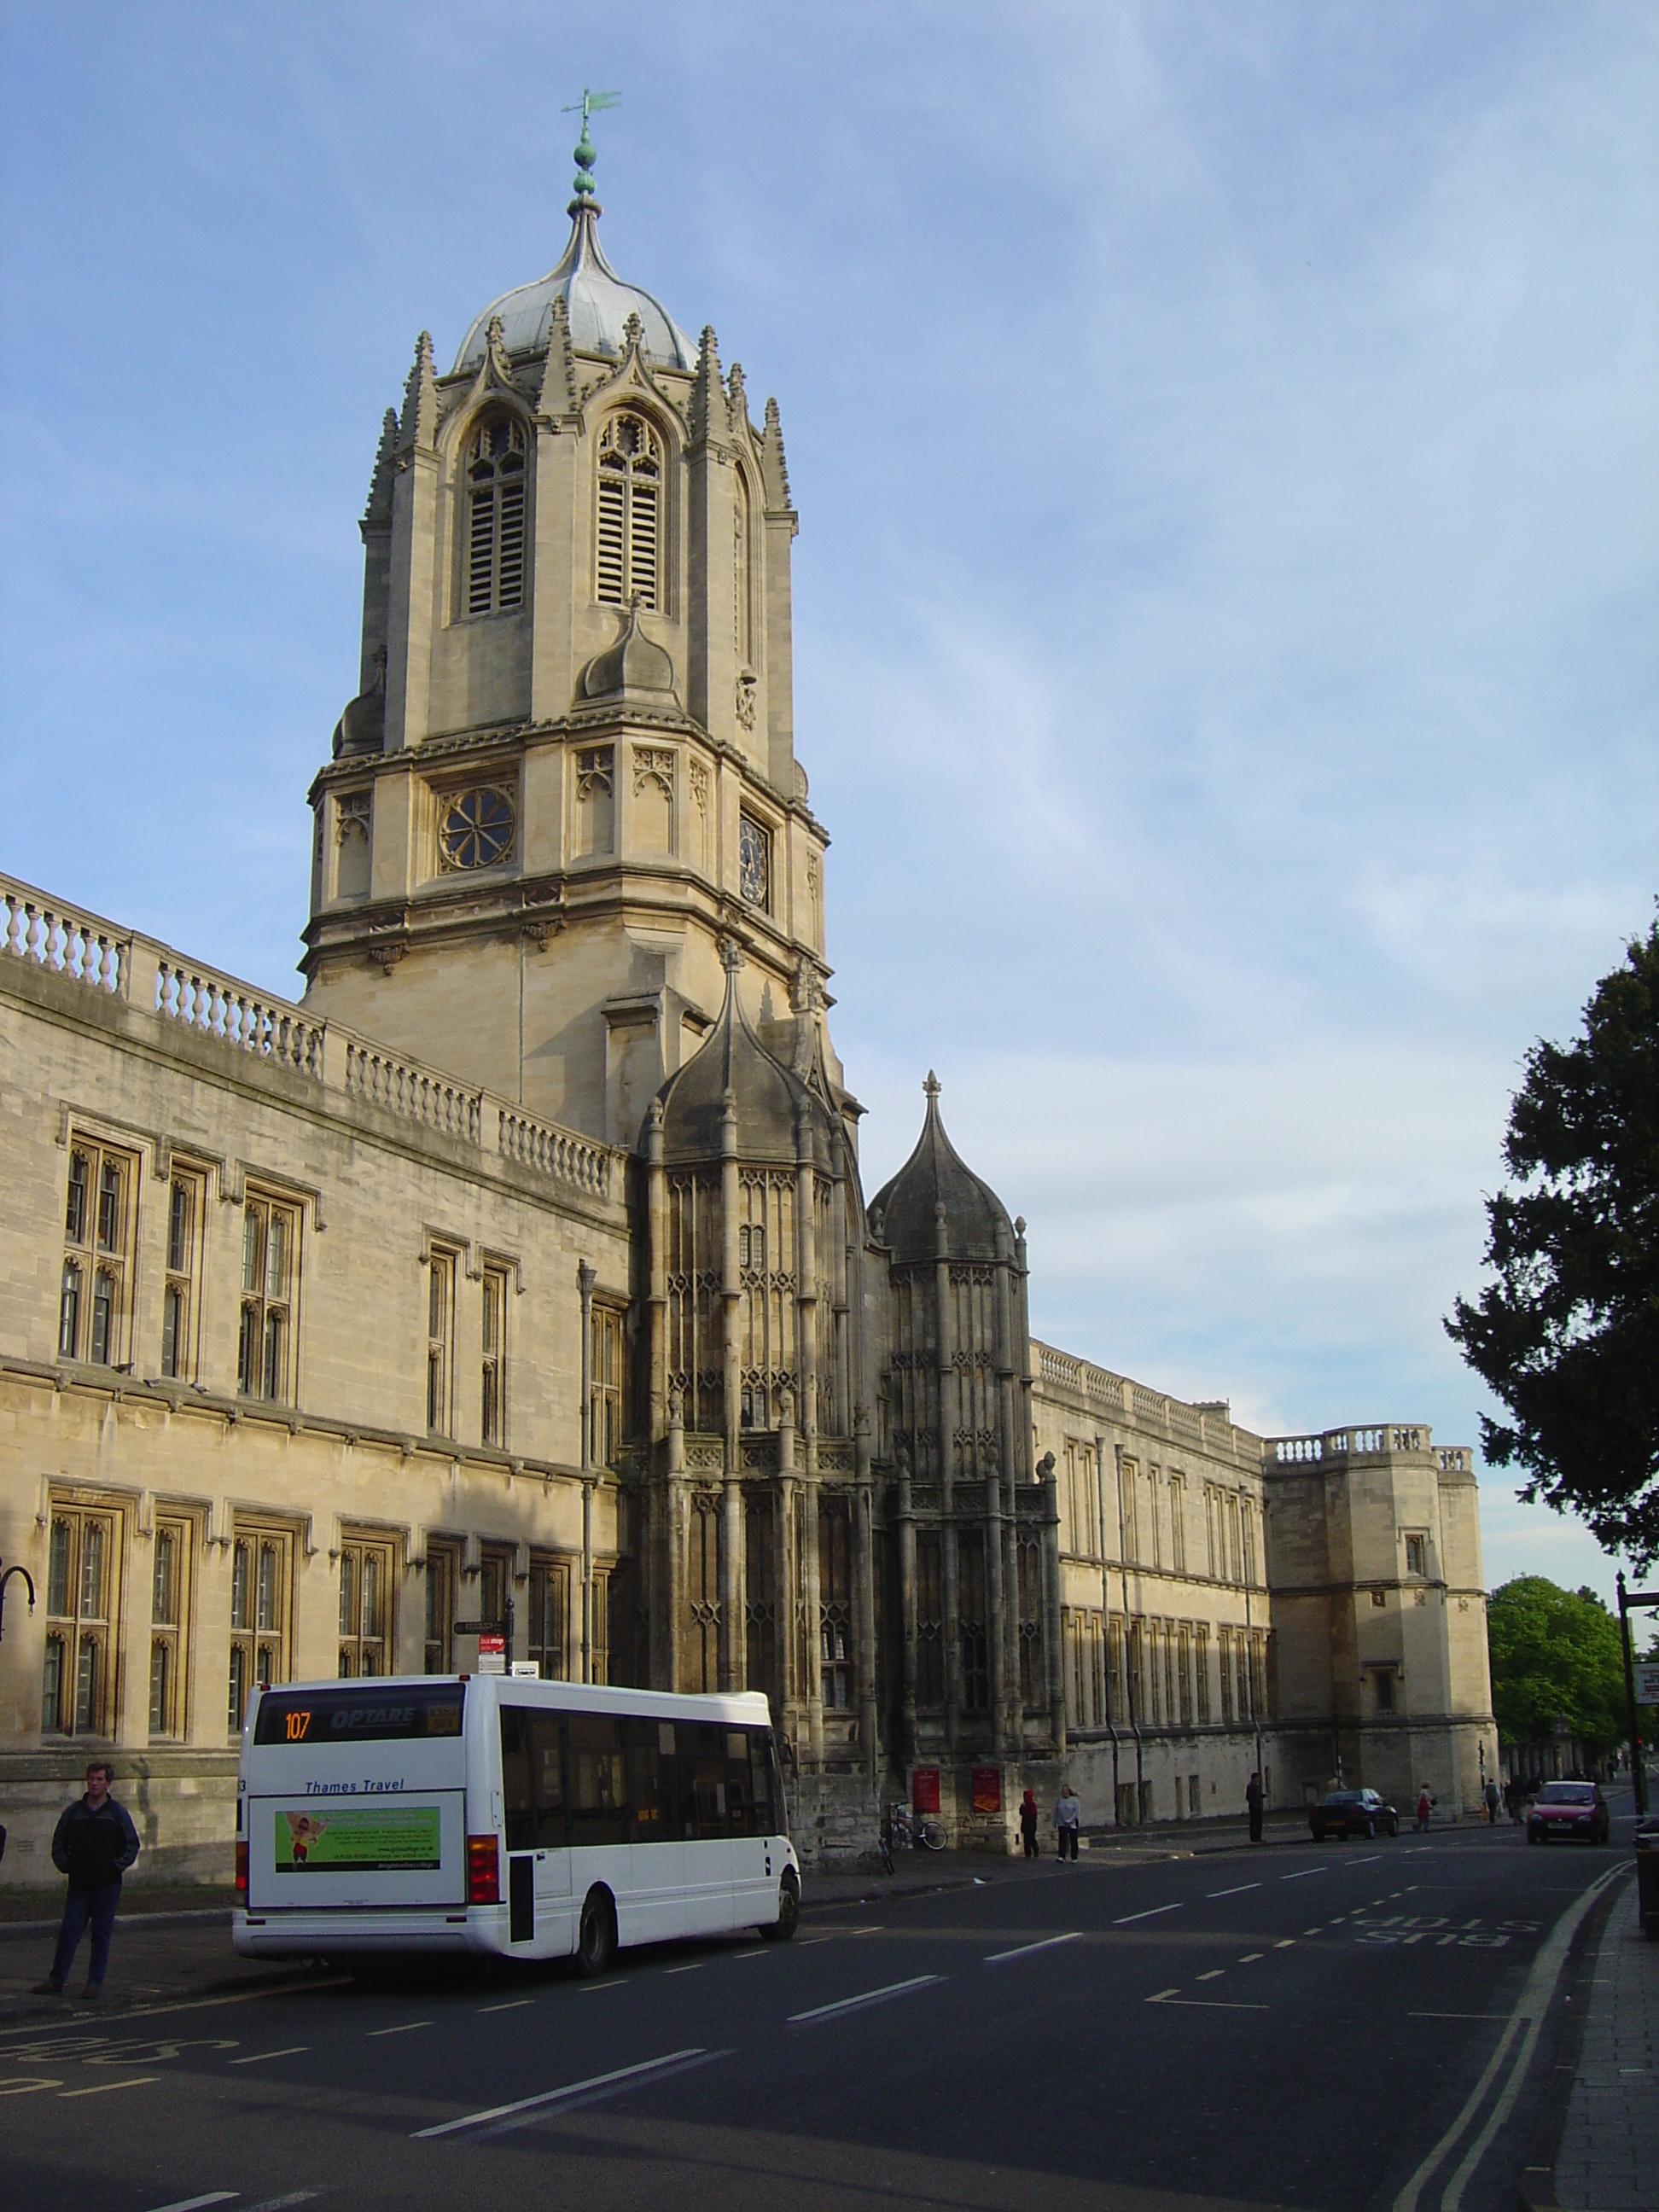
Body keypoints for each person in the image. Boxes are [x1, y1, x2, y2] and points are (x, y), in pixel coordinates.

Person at [32, 1761, 140, 2000]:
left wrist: (114, 1868)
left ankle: (94, 1983)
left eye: (99, 1779)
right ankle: (56, 1979)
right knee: (70, 1930)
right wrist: (67, 1866)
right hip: (79, 1884)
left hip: (107, 1885)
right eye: (91, 1779)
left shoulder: (117, 1814)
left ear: (108, 1783)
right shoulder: (74, 1813)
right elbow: (58, 1844)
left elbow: (132, 1846)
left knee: (101, 1933)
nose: (94, 1783)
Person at [1055, 1783, 1080, 1860]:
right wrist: (1055, 1821)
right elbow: (1057, 1811)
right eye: (1063, 1791)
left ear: (1069, 1791)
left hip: (1072, 1823)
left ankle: (1074, 1857)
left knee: (1073, 1840)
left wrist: (1070, 1820)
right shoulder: (1060, 1800)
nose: (1064, 1792)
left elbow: (1076, 1812)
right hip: (1062, 1822)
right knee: (1062, 1839)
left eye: (1065, 1790)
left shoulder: (1074, 1800)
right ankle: (1061, 1856)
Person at [1019, 1787, 1039, 1860]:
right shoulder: (1024, 1805)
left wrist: (1025, 1809)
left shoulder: (1032, 1805)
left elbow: (1031, 1814)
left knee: (1031, 1838)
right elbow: (1021, 1813)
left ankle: (1036, 1851)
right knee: (1026, 1839)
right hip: (1025, 1823)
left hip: (1031, 1824)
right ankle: (1028, 1853)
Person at [1245, 1770, 1264, 1843]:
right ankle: (1254, 1837)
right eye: (1258, 1778)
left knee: (1259, 1822)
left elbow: (1258, 1796)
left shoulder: (1257, 1786)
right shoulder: (1250, 1786)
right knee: (1254, 1822)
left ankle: (1258, 1837)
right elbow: (1248, 1797)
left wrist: (1263, 1796)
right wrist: (1254, 1804)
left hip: (1259, 1806)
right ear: (1254, 1778)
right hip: (1254, 1807)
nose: (1259, 1779)